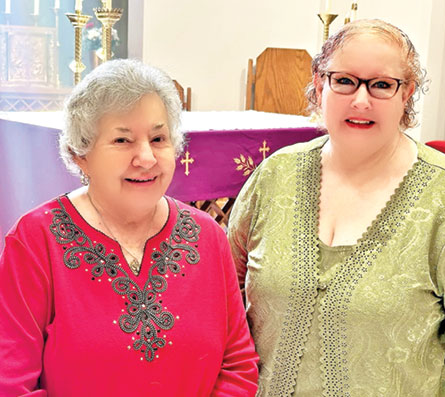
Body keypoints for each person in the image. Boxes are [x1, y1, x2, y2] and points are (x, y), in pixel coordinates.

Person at [228, 19, 445, 396]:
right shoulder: (274, 178)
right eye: (344, 80)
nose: (360, 100)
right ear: (320, 83)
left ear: (407, 94)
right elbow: (221, 305)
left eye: (382, 85)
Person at [0, 59, 258, 396]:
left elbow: (238, 364)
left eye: (158, 138)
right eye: (123, 141)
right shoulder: (36, 239)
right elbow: (10, 380)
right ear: (81, 154)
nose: (146, 158)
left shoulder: (207, 236)